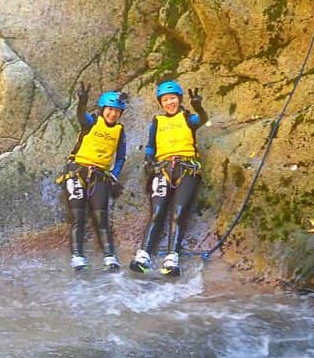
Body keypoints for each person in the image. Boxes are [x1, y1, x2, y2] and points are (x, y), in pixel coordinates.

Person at [130, 80, 207, 277]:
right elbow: (150, 146)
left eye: (172, 98)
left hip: (186, 169)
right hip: (163, 169)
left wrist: (199, 107)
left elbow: (202, 120)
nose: (169, 102)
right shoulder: (157, 122)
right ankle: (144, 254)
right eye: (165, 99)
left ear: (179, 99)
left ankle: (172, 257)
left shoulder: (188, 117)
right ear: (161, 103)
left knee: (179, 213)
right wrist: (148, 159)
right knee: (157, 212)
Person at [57, 83, 127, 271]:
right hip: (76, 173)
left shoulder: (119, 131)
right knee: (77, 216)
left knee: (100, 217)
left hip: (100, 176)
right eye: (110, 110)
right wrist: (82, 101)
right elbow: (81, 115)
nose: (113, 114)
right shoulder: (92, 122)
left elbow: (120, 157)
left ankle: (109, 255)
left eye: (117, 111)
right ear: (103, 109)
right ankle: (77, 256)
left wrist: (114, 175)